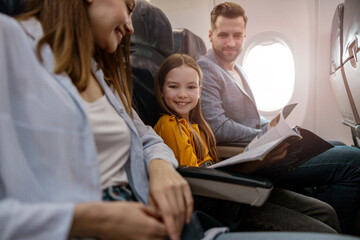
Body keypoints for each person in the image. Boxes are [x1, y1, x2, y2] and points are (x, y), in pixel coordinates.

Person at [0, 0, 194, 239]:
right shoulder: (8, 41)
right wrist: (89, 221)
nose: (131, 27)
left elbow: (147, 139)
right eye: (129, 6)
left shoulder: (98, 72)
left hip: (146, 217)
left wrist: (161, 167)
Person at [197, 1, 360, 234]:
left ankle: (324, 219)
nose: (231, 42)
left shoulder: (237, 70)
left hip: (263, 148)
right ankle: (334, 233)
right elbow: (217, 127)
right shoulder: (207, 70)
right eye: (223, 35)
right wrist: (264, 134)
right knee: (354, 162)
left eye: (237, 35)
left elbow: (253, 118)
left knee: (337, 144)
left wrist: (279, 127)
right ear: (211, 35)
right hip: (251, 160)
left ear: (245, 36)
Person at [153, 53, 340, 233]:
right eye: (174, 87)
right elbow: (195, 180)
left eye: (191, 87)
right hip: (216, 205)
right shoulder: (169, 126)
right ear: (161, 90)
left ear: (200, 91)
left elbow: (210, 169)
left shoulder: (199, 127)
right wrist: (251, 165)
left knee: (325, 212)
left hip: (227, 194)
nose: (183, 94)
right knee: (321, 227)